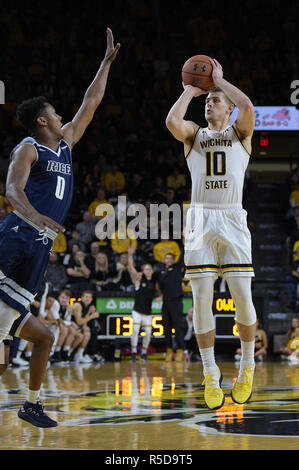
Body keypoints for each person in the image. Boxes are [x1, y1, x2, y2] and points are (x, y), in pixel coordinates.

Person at [0, 27, 120, 427]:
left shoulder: (65, 142)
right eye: (54, 112)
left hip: (36, 249)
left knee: (38, 340)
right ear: (41, 120)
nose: (61, 114)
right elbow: (12, 192)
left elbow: (93, 100)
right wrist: (39, 220)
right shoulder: (27, 148)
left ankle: (31, 404)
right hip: (16, 242)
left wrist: (104, 64)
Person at [166, 58, 256, 410]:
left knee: (242, 297)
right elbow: (172, 121)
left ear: (229, 108)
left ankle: (247, 366)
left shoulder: (240, 133)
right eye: (208, 100)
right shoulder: (194, 134)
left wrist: (221, 81)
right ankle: (209, 372)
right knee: (201, 299)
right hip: (201, 219)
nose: (210, 103)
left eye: (215, 100)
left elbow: (247, 106)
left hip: (232, 218)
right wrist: (191, 90)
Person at [128, 245, 158, 362]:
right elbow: (131, 268)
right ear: (143, 271)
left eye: (149, 269)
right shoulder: (139, 279)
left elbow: (160, 290)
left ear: (152, 271)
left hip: (147, 312)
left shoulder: (154, 281)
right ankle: (134, 353)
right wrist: (130, 255)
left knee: (149, 333)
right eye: (146, 269)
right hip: (137, 311)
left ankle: (144, 353)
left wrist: (161, 296)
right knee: (135, 331)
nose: (148, 271)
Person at [156, 245, 186, 363]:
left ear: (173, 260)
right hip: (166, 303)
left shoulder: (178, 268)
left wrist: (184, 244)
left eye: (170, 258)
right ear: (164, 260)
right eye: (166, 258)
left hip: (177, 302)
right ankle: (169, 350)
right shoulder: (161, 272)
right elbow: (158, 286)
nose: (168, 260)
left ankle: (180, 350)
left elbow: (183, 258)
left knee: (178, 328)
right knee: (166, 328)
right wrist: (161, 295)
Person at [72, 290, 101, 362]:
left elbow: (84, 319)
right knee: (80, 336)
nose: (87, 299)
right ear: (82, 298)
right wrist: (92, 316)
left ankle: (79, 355)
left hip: (76, 327)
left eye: (89, 297)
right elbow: (79, 321)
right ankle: (68, 353)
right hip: (70, 326)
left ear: (91, 299)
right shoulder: (78, 305)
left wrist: (85, 326)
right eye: (86, 297)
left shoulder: (87, 307)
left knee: (87, 333)